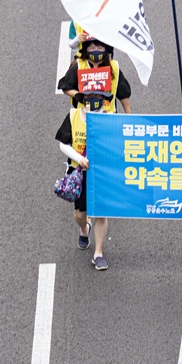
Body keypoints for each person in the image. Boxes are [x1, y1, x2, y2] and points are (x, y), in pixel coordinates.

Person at [56, 87, 116, 270]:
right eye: (90, 97)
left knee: (101, 213)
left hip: (102, 173)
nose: (94, 100)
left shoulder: (109, 118)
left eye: (98, 96)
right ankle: (84, 229)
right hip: (80, 173)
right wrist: (79, 158)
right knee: (80, 214)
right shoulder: (74, 116)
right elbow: (62, 144)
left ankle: (98, 253)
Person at [59, 36, 132, 113]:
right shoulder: (79, 66)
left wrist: (128, 114)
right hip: (83, 115)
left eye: (100, 48)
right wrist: (78, 95)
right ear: (86, 49)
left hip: (108, 115)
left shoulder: (114, 68)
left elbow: (123, 93)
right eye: (92, 48)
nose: (96, 50)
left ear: (106, 49)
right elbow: (66, 87)